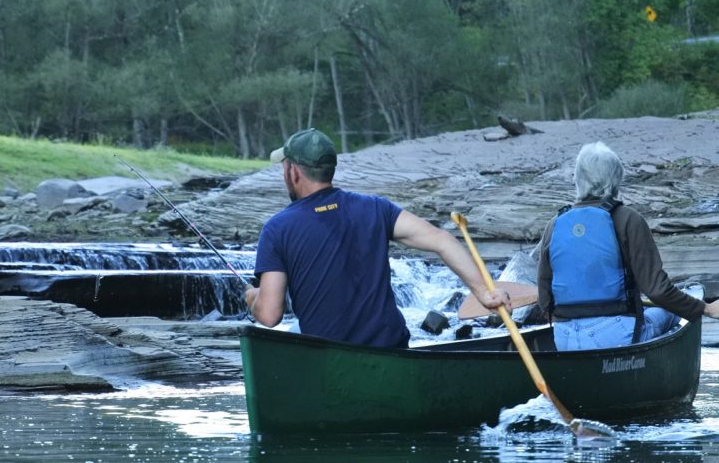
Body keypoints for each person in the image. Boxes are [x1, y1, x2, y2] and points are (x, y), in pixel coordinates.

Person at [244, 128, 511, 348]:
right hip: (392, 350)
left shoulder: (276, 229)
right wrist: (484, 293)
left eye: (284, 167)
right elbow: (442, 240)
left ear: (293, 172)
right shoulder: (375, 208)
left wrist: (253, 298)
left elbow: (269, 315)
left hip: (328, 359)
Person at [537, 141, 719, 351]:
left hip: (564, 338)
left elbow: (545, 299)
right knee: (673, 311)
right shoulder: (627, 219)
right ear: (616, 178)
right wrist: (704, 308)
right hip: (615, 336)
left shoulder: (555, 224)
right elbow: (658, 291)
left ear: (578, 179)